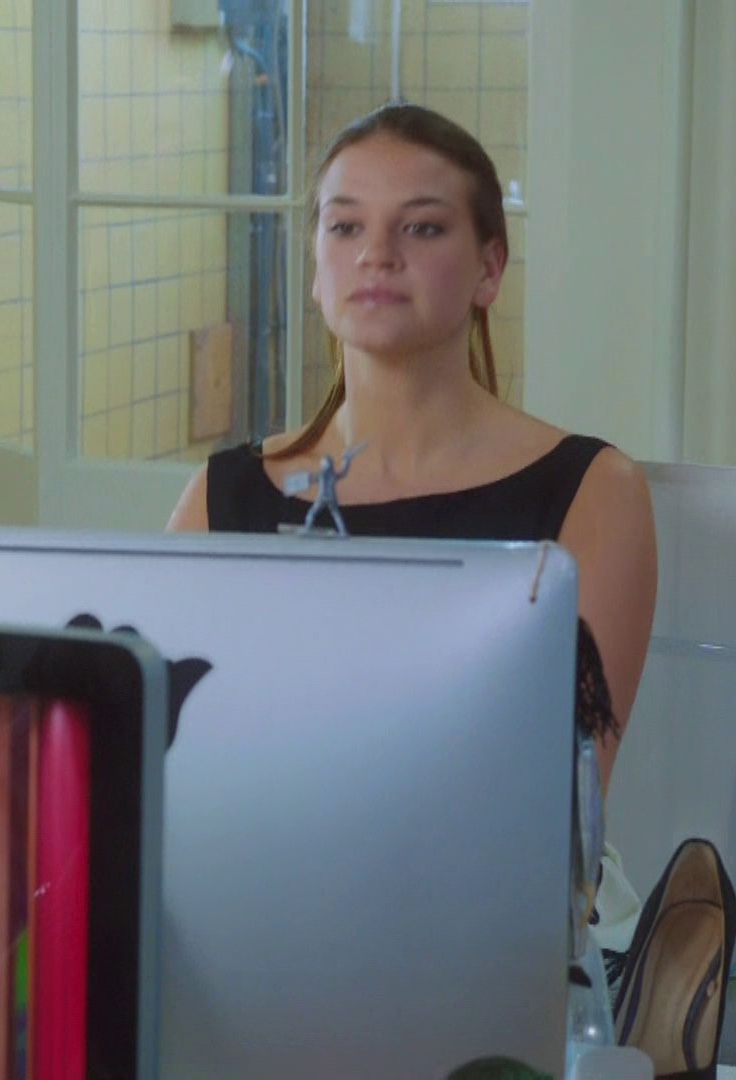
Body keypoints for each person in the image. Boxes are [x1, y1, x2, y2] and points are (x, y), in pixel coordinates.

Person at [167, 103, 658, 962]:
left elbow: (559, 816)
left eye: (422, 227)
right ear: (316, 268)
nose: (377, 254)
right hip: (246, 926)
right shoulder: (221, 496)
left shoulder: (591, 491)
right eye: (345, 226)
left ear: (489, 268)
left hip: (481, 943)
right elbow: (168, 765)